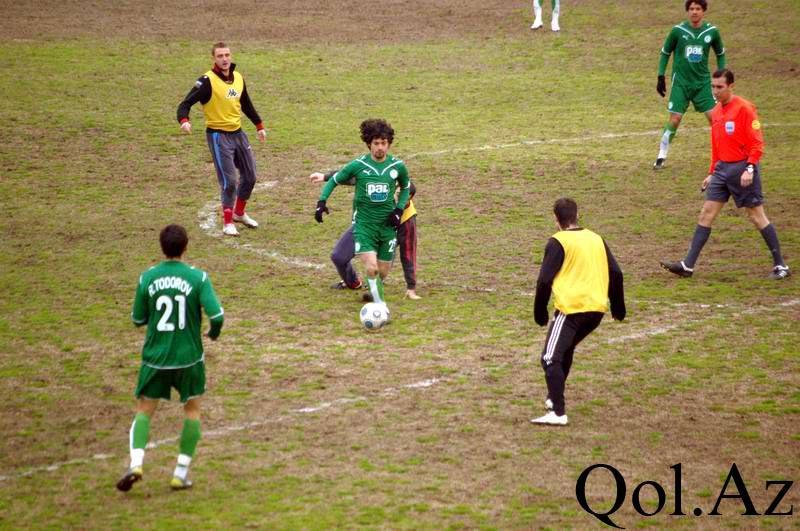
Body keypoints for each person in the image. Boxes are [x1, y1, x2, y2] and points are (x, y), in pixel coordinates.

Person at [116, 224, 224, 492]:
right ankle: (180, 473)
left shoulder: (148, 278)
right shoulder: (198, 278)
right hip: (189, 358)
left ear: (162, 248)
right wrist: (213, 334)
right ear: (186, 247)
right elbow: (217, 316)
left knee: (144, 410)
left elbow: (137, 319)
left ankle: (136, 464)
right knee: (192, 410)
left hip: (155, 358)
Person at [661, 69, 790, 280]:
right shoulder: (716, 111)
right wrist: (712, 172)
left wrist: (750, 168)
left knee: (756, 217)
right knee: (706, 213)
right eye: (713, 86)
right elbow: (716, 144)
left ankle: (780, 265)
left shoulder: (744, 108)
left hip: (742, 169)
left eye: (720, 87)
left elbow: (757, 143)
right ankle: (688, 265)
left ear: (731, 86)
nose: (715, 91)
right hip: (721, 170)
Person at [531, 198, 625, 426]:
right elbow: (616, 273)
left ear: (556, 219)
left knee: (549, 357)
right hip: (596, 310)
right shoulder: (596, 238)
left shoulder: (558, 241)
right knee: (564, 350)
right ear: (577, 215)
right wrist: (618, 307)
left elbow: (544, 280)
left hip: (571, 309)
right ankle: (553, 399)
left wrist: (539, 311)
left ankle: (558, 412)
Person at [314, 119, 412, 310]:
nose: (380, 147)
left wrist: (399, 210)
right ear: (369, 144)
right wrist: (321, 202)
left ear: (389, 144)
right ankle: (379, 306)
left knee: (382, 272)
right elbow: (335, 180)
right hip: (364, 225)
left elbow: (406, 187)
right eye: (376, 143)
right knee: (371, 268)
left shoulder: (398, 166)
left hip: (387, 227)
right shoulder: (358, 165)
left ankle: (374, 290)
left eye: (384, 143)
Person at [177, 42, 267, 237]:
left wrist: (259, 125)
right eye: (220, 56)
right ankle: (227, 222)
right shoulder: (207, 81)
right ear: (214, 58)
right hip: (218, 136)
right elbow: (185, 104)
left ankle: (239, 213)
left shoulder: (238, 78)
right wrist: (184, 120)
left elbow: (246, 103)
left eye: (227, 55)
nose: (224, 59)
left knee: (250, 176)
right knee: (230, 181)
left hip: (238, 134)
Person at [310, 171, 421, 299]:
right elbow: (353, 175)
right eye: (397, 193)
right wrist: (326, 177)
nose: (398, 198)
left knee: (378, 270)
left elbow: (408, 253)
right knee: (338, 257)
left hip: (385, 238)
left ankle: (374, 288)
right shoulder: (381, 183)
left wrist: (411, 287)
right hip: (364, 226)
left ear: (409, 198)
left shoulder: (407, 219)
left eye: (403, 196)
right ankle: (353, 282)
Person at [654, 0, 726, 170]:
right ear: (687, 11)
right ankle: (661, 155)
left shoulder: (711, 32)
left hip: (702, 84)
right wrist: (660, 75)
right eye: (691, 8)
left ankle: (723, 156)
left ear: (703, 11)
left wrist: (722, 74)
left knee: (715, 119)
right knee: (675, 119)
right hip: (681, 84)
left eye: (698, 8)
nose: (694, 12)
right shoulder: (678, 31)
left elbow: (720, 53)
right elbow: (665, 52)